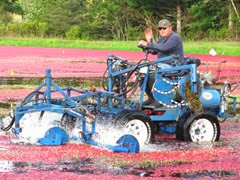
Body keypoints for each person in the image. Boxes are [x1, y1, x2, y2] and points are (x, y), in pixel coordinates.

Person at [138, 19, 185, 106]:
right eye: (160, 28)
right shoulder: (163, 39)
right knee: (142, 72)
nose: (162, 30)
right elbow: (154, 51)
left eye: (164, 28)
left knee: (152, 71)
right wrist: (148, 41)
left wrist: (147, 44)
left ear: (170, 28)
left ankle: (159, 100)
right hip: (162, 65)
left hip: (174, 66)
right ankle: (151, 98)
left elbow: (164, 47)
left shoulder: (175, 37)